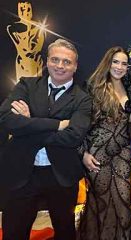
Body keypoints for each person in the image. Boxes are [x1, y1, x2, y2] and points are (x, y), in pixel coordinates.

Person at [0, 39, 91, 240]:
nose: (60, 66)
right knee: (13, 232)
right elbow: (6, 119)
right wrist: (56, 124)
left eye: (67, 62)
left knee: (65, 233)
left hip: (61, 176)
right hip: (22, 173)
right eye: (55, 60)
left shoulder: (83, 98)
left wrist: (29, 124)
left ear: (75, 66)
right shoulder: (26, 85)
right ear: (46, 61)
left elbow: (73, 137)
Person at [77, 46, 131, 239]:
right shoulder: (94, 87)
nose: (119, 67)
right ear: (107, 63)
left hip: (123, 153)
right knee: (100, 204)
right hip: (98, 153)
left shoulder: (129, 86)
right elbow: (81, 124)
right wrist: (83, 153)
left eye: (124, 63)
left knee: (123, 201)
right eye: (115, 62)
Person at [7, 1, 45, 81]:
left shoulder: (39, 26)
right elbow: (20, 47)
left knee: (36, 88)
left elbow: (38, 46)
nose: (25, 12)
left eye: (28, 9)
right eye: (22, 9)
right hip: (22, 63)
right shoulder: (12, 28)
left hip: (35, 62)